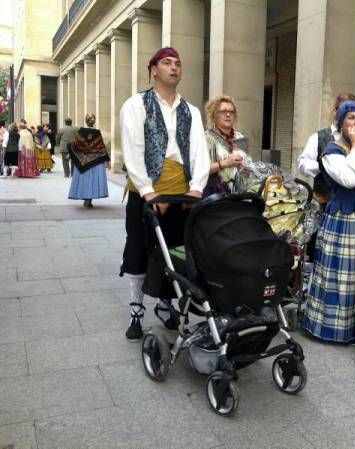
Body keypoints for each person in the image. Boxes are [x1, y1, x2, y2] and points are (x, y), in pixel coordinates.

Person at [119, 47, 210, 341]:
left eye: (178, 64)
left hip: (181, 192)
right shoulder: (136, 105)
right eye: (167, 63)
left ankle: (164, 304)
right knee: (138, 247)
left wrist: (196, 186)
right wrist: (148, 191)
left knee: (173, 250)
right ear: (153, 69)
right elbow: (132, 151)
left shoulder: (191, 111)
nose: (174, 68)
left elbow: (199, 151)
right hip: (146, 190)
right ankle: (136, 309)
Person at [302, 100, 355, 344]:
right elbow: (350, 179)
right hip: (344, 221)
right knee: (344, 279)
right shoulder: (332, 150)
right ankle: (338, 330)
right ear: (340, 122)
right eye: (350, 118)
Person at [297, 93, 355, 261]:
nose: (349, 117)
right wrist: (324, 168)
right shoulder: (319, 137)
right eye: (344, 111)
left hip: (351, 206)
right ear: (335, 111)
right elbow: (302, 163)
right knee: (320, 251)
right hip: (324, 203)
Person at [203, 95, 250, 195]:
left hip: (239, 195)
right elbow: (199, 171)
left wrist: (246, 168)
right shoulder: (206, 138)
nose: (228, 114)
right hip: (214, 196)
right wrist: (225, 163)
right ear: (214, 115)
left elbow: (247, 171)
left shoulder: (241, 138)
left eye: (231, 112)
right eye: (223, 111)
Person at [68, 113, 110, 208]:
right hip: (95, 160)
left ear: (86, 121)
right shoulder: (97, 132)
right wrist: (106, 159)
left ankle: (86, 199)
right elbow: (101, 147)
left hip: (83, 160)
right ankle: (89, 200)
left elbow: (75, 145)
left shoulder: (81, 131)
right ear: (94, 121)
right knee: (93, 179)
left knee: (85, 179)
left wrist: (70, 149)